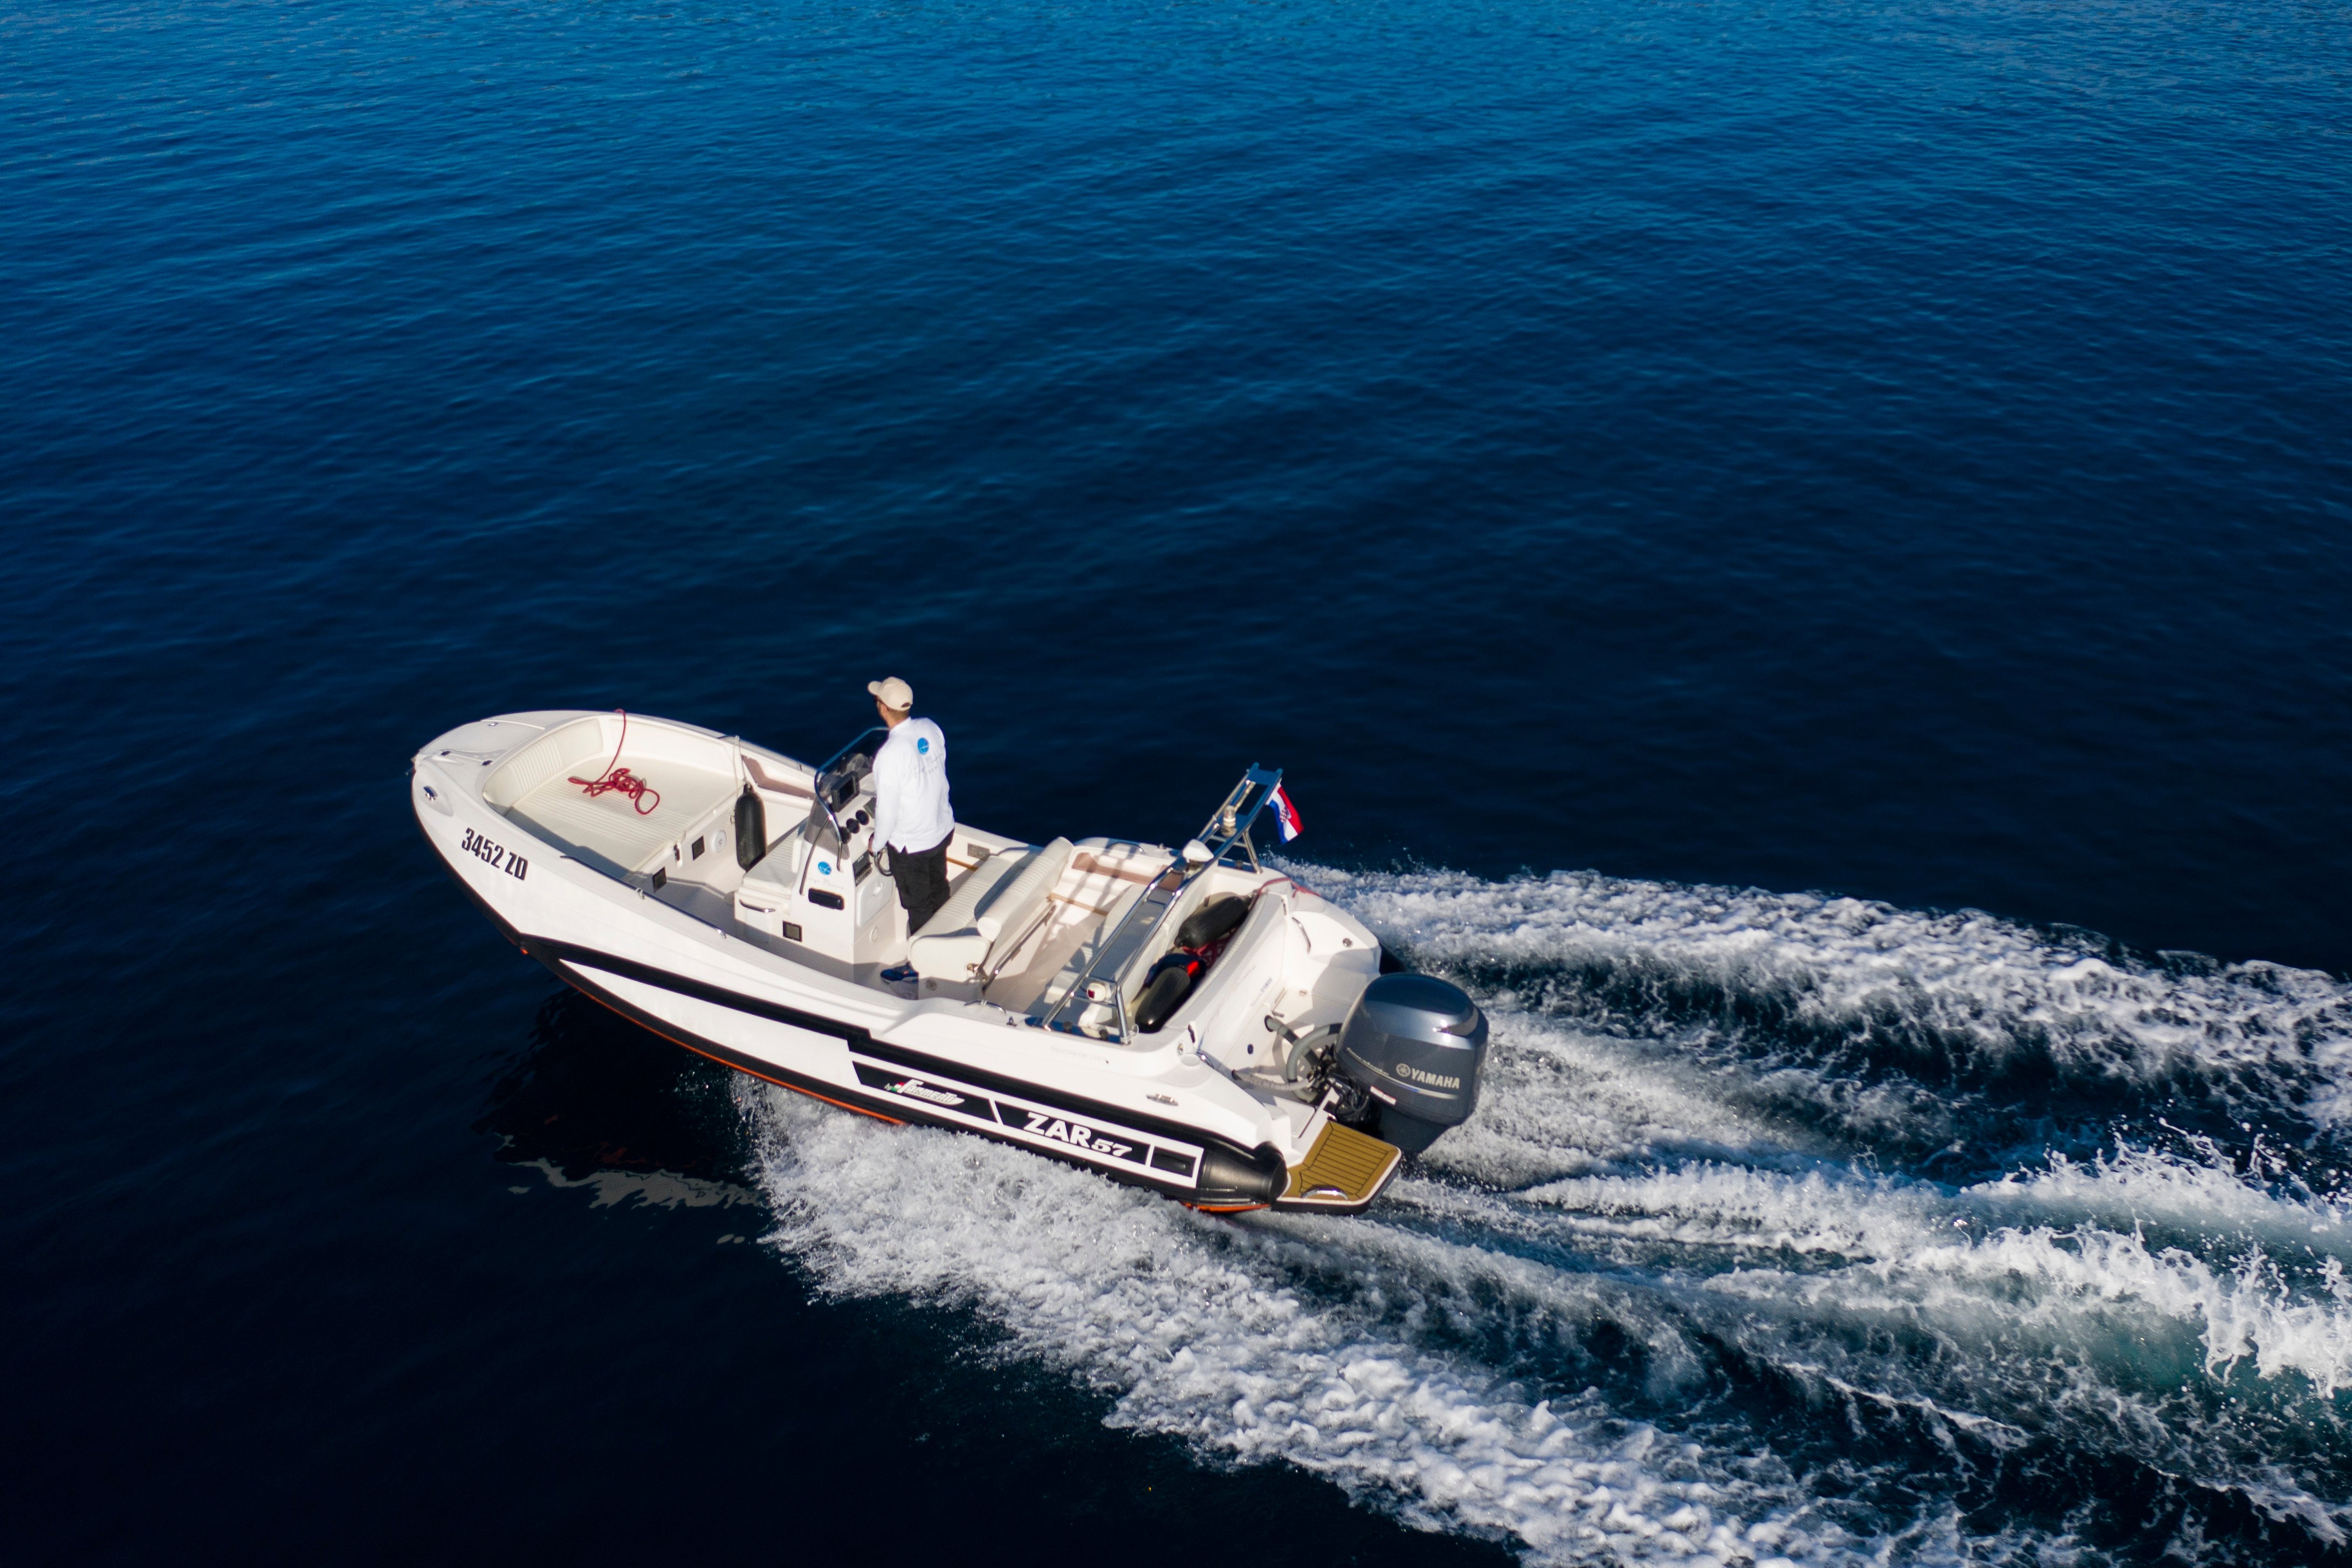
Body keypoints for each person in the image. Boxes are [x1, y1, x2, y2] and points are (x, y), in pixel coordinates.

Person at [866, 676, 955, 958]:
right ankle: (945, 946)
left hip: (912, 846)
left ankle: (924, 966)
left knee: (919, 906)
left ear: (883, 708)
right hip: (941, 831)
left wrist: (876, 845)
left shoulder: (889, 755)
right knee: (939, 890)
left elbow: (887, 812)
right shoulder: (930, 727)